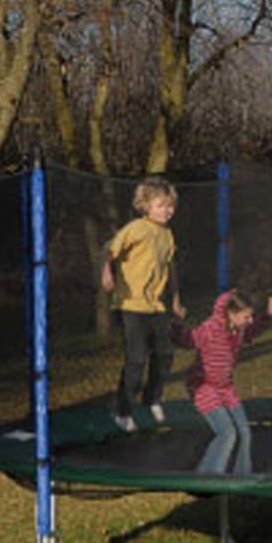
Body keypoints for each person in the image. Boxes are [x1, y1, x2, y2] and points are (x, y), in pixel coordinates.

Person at [100, 176, 186, 433]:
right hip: (131, 304)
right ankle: (122, 410)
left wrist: (176, 299)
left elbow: (170, 267)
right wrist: (107, 272)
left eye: (170, 206)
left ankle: (151, 398)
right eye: (161, 205)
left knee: (165, 355)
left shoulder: (167, 234)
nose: (167, 211)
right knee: (136, 360)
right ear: (145, 205)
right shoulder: (136, 228)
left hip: (156, 307)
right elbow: (110, 249)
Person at [172, 289, 272, 474]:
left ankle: (242, 477)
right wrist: (176, 322)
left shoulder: (237, 330)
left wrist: (267, 315)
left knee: (245, 433)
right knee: (227, 433)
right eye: (246, 316)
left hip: (225, 388)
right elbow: (186, 340)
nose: (249, 321)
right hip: (203, 385)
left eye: (251, 316)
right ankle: (208, 477)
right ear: (231, 314)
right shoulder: (210, 329)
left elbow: (252, 330)